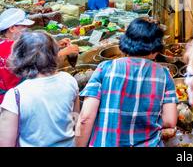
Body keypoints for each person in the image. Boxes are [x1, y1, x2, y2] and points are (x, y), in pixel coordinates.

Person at [75, 18, 178, 147]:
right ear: (155, 50)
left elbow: (85, 118)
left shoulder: (104, 68)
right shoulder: (164, 74)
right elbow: (169, 121)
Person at [0, 31, 79, 147]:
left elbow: (6, 143)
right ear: (54, 54)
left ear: (19, 57)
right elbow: (75, 120)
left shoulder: (15, 95)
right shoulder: (69, 80)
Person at [0, 8, 79, 103]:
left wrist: (55, 45)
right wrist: (64, 52)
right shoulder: (13, 47)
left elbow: (34, 52)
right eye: (24, 26)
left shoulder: (6, 44)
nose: (27, 30)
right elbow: (39, 64)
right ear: (12, 28)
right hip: (18, 99)